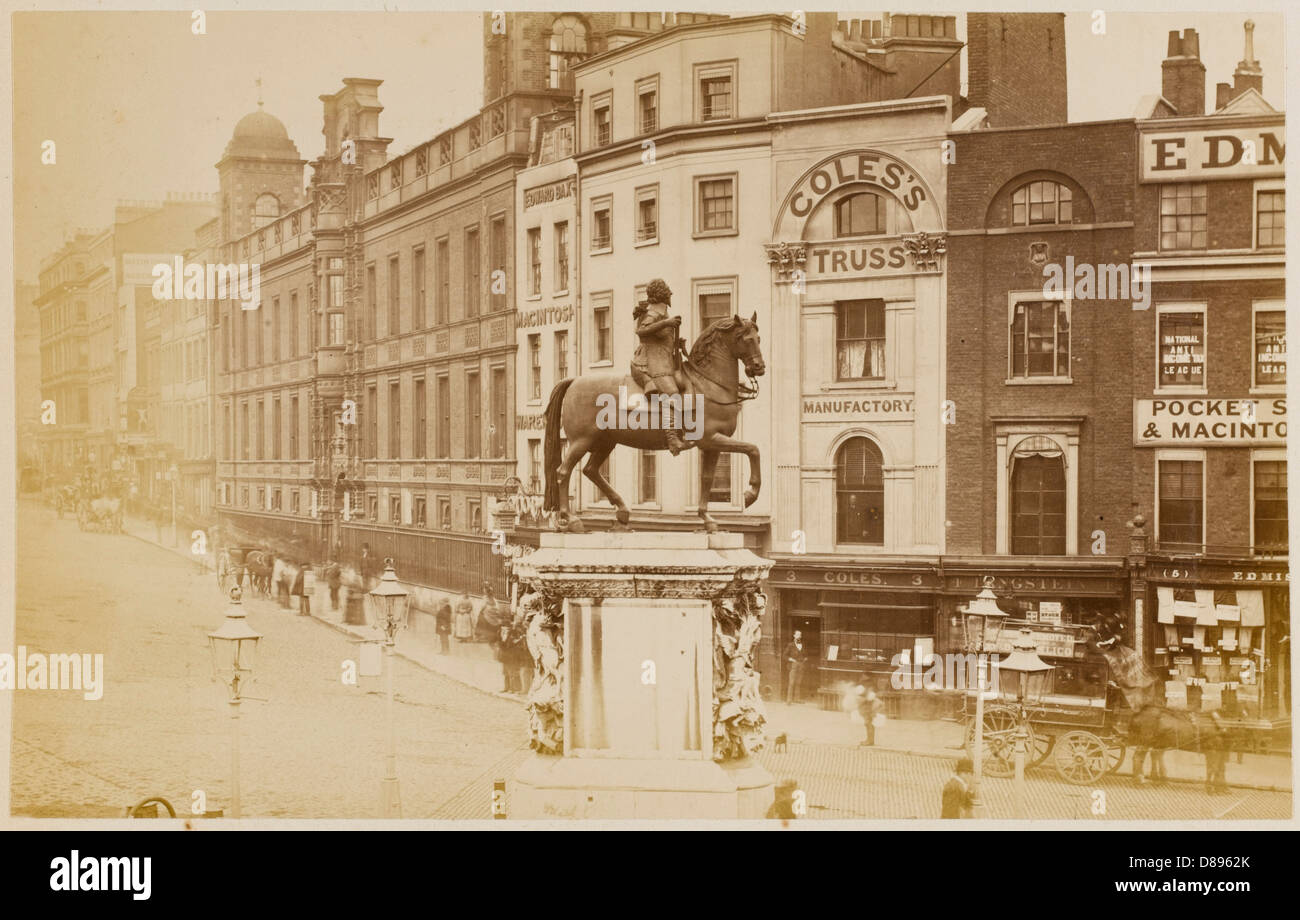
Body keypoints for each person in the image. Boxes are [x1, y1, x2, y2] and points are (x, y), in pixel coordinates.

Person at [630, 278, 687, 455]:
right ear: (662, 294)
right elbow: (641, 331)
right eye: (667, 290)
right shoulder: (654, 313)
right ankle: (672, 439)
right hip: (649, 362)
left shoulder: (662, 312)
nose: (670, 293)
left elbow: (661, 338)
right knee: (671, 393)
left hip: (663, 360)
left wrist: (678, 344)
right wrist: (666, 323)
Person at [856, 680, 885, 746]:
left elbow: (868, 700)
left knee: (869, 725)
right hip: (868, 711)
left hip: (869, 711)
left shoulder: (868, 694)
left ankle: (870, 741)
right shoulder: (867, 693)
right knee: (869, 725)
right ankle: (870, 740)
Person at [783, 630, 808, 704]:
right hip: (793, 665)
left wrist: (805, 659)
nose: (799, 636)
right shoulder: (790, 645)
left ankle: (797, 699)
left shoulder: (803, 645)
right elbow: (784, 656)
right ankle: (789, 700)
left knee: (798, 683)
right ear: (794, 635)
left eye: (800, 635)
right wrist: (790, 659)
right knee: (791, 682)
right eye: (797, 635)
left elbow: (806, 654)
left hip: (801, 665)